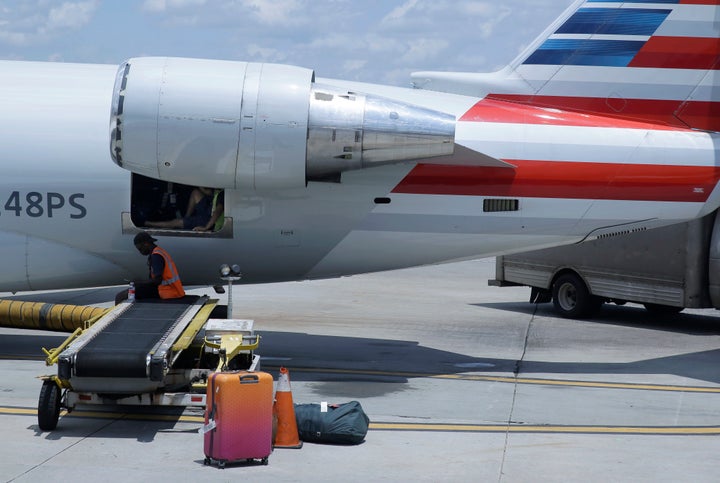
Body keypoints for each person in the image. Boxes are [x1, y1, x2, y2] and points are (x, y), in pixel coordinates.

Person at [115, 232, 186, 304]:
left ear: (146, 244)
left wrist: (139, 283)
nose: (140, 252)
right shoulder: (159, 251)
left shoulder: (156, 256)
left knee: (121, 296)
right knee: (136, 290)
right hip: (172, 290)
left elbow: (157, 280)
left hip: (167, 292)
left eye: (140, 248)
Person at [146, 187, 224, 232]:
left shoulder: (223, 195)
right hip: (208, 208)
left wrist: (206, 227)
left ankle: (148, 223)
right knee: (195, 192)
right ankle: (187, 218)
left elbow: (218, 211)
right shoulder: (219, 189)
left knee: (177, 222)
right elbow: (208, 192)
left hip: (209, 219)